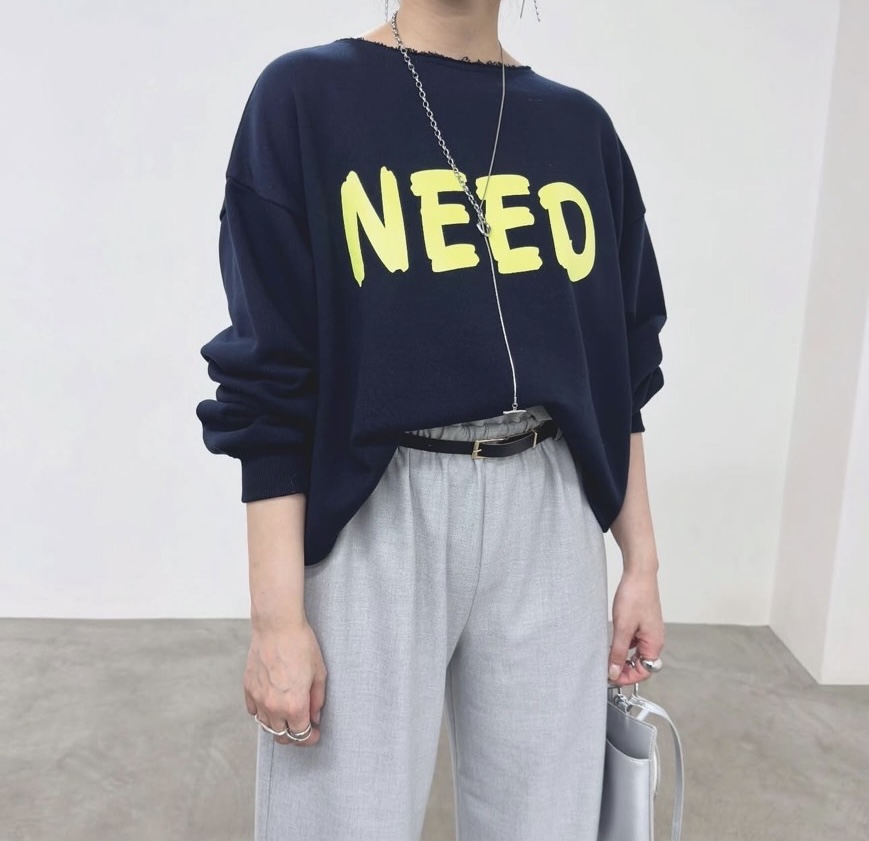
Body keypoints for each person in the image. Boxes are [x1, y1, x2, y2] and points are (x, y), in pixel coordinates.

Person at [195, 0, 668, 838]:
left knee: (546, 822)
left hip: (549, 505)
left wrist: (641, 562)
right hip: (378, 504)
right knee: (340, 819)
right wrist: (276, 620)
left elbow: (618, 370)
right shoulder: (305, 98)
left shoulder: (579, 130)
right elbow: (268, 377)